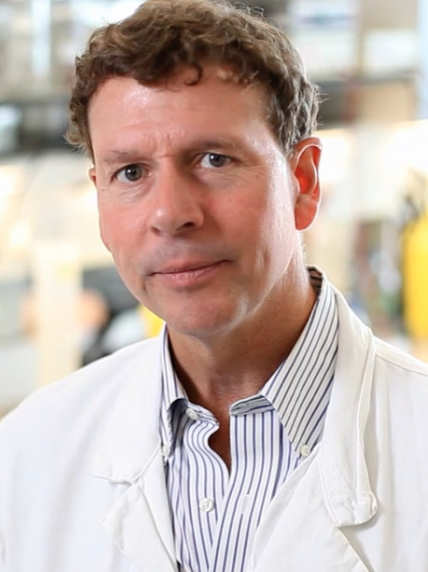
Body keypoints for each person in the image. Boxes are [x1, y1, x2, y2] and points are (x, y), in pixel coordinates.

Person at [1, 1, 428, 570]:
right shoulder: (29, 452)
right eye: (131, 172)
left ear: (303, 182)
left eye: (214, 159)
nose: (171, 213)